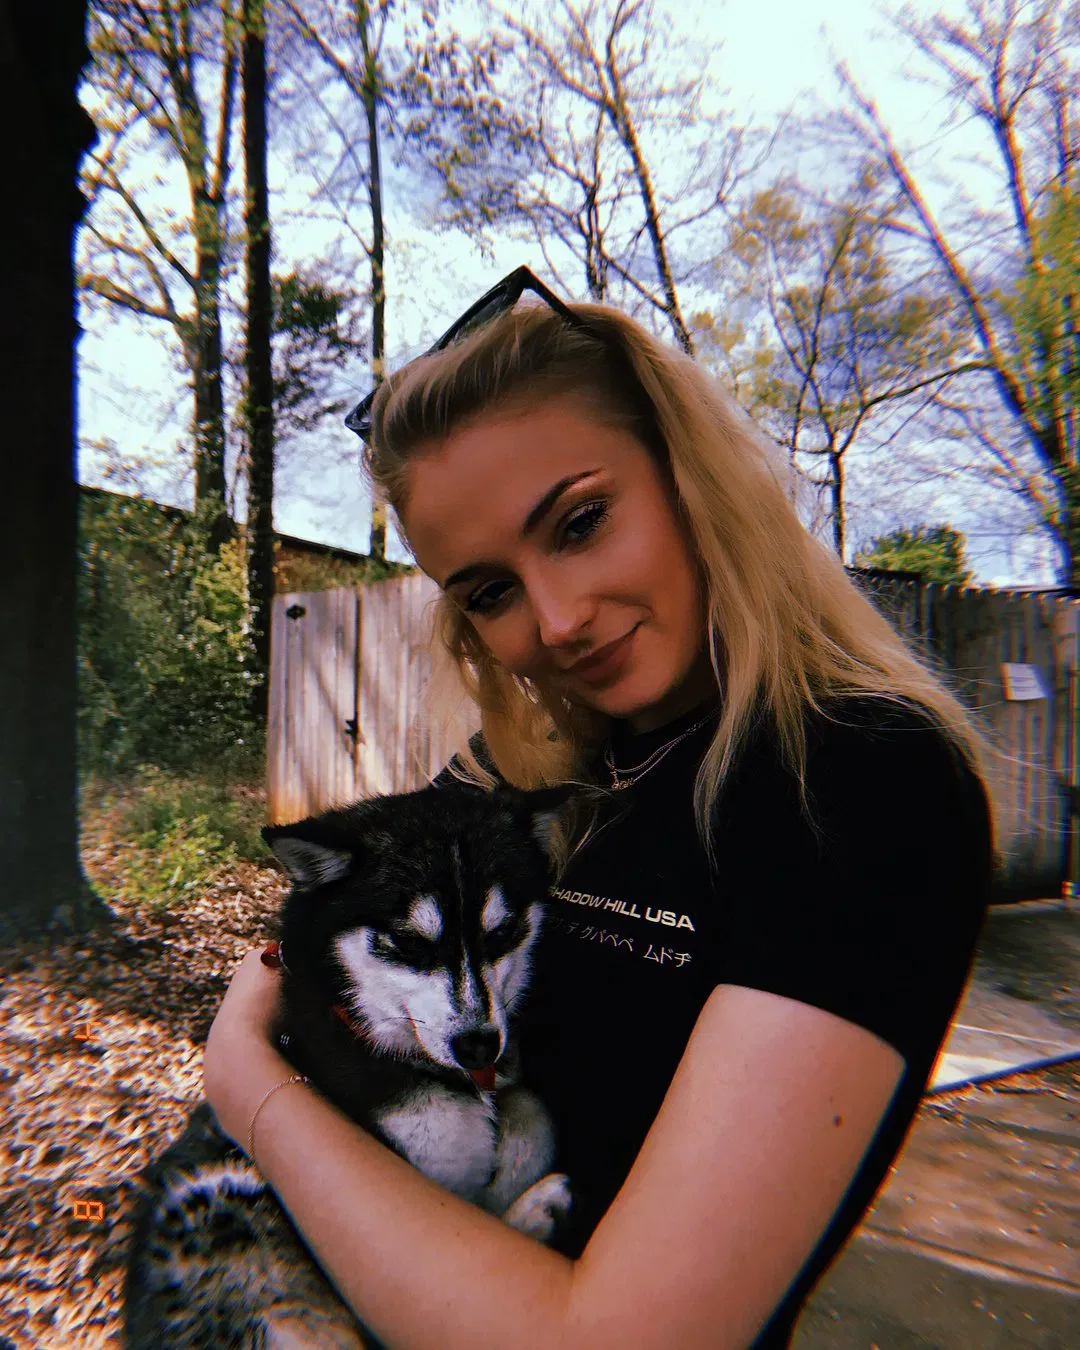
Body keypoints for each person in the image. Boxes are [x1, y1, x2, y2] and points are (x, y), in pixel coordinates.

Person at [203, 266, 1004, 1349]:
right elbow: (325, 949)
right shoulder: (519, 779)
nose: (558, 619)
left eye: (580, 522)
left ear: (691, 473)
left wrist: (250, 1088)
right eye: (490, 591)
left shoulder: (857, 782)